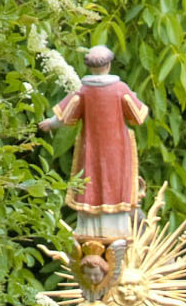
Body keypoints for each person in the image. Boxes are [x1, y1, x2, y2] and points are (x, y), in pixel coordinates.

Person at [39, 43, 148, 238]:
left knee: (91, 181)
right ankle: (117, 231)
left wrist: (50, 123)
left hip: (91, 149)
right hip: (117, 149)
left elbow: (64, 115)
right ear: (108, 65)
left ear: (89, 66)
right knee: (115, 183)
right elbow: (138, 115)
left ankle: (91, 231)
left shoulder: (83, 90)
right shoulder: (120, 89)